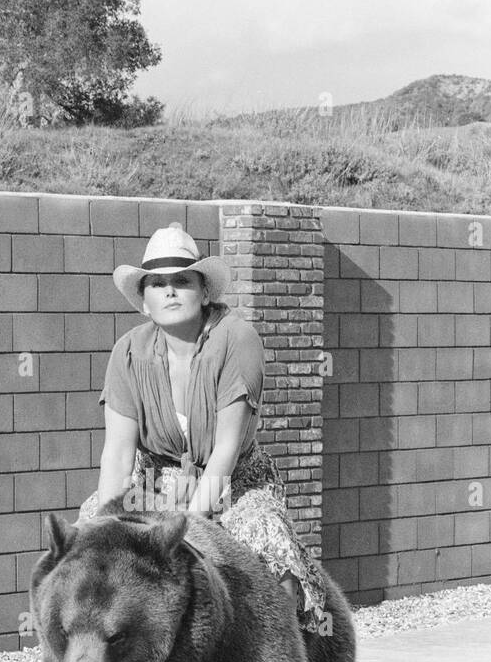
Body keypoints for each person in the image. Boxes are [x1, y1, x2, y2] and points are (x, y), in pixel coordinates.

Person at [76, 222, 327, 633]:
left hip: (234, 480)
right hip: (155, 480)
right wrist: (110, 524)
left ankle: (287, 656)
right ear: (144, 302)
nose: (170, 291)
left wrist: (185, 527)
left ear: (204, 290)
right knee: (89, 532)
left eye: (182, 280)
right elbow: (118, 454)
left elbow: (226, 451)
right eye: (157, 284)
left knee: (267, 541)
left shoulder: (236, 339)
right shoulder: (127, 353)